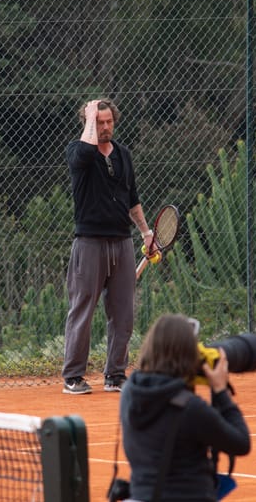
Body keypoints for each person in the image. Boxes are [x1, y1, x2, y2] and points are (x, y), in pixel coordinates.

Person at [62, 98, 153, 395]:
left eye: (108, 122)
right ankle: (73, 377)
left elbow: (132, 199)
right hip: (89, 244)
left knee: (124, 312)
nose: (104, 127)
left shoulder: (124, 155)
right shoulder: (78, 151)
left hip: (122, 242)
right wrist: (90, 115)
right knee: (82, 310)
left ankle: (115, 375)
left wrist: (145, 232)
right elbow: (86, 154)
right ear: (88, 122)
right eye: (98, 122)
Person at [119, 314, 251, 501]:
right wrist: (221, 391)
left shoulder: (130, 393)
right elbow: (241, 443)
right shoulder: (189, 408)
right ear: (189, 356)